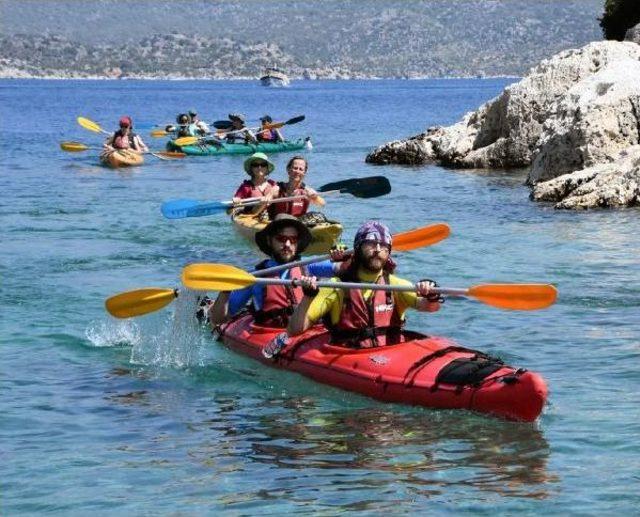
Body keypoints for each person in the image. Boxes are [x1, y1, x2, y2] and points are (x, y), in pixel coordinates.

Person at [284, 221, 442, 353]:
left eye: (384, 246)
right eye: (371, 244)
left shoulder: (396, 285)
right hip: (350, 356)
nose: (378, 250)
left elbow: (430, 308)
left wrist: (431, 295)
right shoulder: (335, 286)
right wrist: (308, 296)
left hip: (392, 353)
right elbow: (294, 330)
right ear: (358, 247)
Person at [206, 213, 343, 329]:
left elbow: (343, 268)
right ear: (270, 241)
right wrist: (225, 291)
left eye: (293, 239)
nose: (287, 245)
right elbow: (219, 320)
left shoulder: (308, 267)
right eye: (281, 239)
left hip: (304, 329)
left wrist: (341, 255)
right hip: (268, 333)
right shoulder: (255, 278)